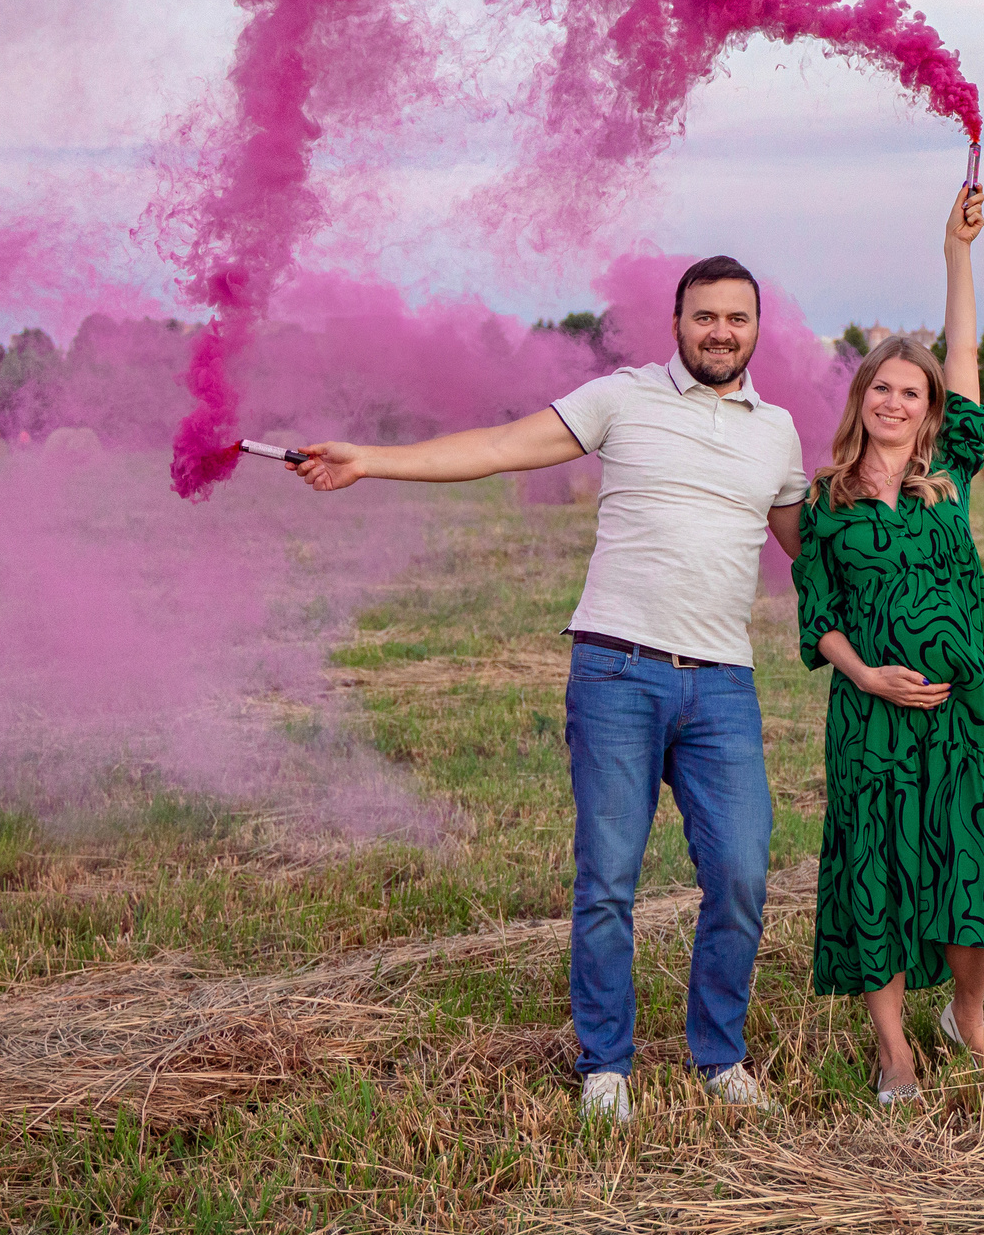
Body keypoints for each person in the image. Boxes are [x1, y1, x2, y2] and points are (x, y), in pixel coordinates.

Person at [289, 257, 807, 1124]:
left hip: (722, 683)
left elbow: (809, 546)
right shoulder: (622, 397)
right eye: (705, 316)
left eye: (737, 318)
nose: (721, 331)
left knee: (744, 871)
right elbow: (497, 449)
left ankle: (719, 1055)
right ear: (677, 321)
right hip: (616, 669)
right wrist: (371, 461)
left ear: (758, 328)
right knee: (609, 876)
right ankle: (606, 1061)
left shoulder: (777, 432)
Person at [792, 184, 984, 1103]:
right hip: (872, 720)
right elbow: (818, 619)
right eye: (881, 387)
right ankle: (894, 1046)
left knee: (974, 864)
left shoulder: (949, 478)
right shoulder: (826, 500)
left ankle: (965, 1015)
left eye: (911, 390)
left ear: (929, 408)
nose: (895, 400)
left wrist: (955, 252)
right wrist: (869, 677)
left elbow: (963, 353)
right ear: (862, 399)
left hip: (965, 716)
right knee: (878, 870)